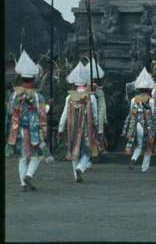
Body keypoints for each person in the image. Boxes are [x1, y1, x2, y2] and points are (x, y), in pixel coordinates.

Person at [5, 50, 52, 191]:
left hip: (19, 130)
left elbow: (9, 112)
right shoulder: (38, 96)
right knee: (36, 156)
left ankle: (23, 184)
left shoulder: (14, 95)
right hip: (34, 131)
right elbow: (43, 114)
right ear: (33, 79)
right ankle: (29, 175)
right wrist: (49, 107)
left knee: (23, 157)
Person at [58, 62, 99, 182]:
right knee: (87, 150)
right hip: (87, 127)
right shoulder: (91, 97)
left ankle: (76, 175)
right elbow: (95, 114)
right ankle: (81, 168)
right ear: (86, 83)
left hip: (73, 127)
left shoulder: (69, 98)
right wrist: (96, 126)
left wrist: (61, 128)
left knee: (74, 150)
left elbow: (64, 114)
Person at [123, 67, 156, 173]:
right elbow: (153, 115)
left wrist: (126, 128)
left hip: (136, 124)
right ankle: (144, 167)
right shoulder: (151, 101)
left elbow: (131, 113)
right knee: (148, 146)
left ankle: (133, 159)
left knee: (138, 145)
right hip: (147, 125)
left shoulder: (134, 99)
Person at [83, 58, 108, 161]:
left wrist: (103, 119)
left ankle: (95, 152)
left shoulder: (99, 92)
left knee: (94, 134)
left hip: (96, 114)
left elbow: (102, 106)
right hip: (89, 115)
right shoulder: (85, 92)